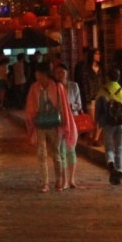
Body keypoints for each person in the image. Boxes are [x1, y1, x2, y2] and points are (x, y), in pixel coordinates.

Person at [24, 64, 77, 192]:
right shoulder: (34, 87)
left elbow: (63, 106)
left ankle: (58, 180)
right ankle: (45, 182)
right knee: (41, 154)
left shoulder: (57, 86)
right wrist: (31, 119)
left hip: (55, 124)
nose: (36, 76)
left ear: (44, 73)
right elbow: (31, 106)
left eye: (38, 73)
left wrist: (64, 124)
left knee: (56, 153)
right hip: (40, 124)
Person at [95, 67, 122, 184]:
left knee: (109, 148)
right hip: (121, 123)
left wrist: (97, 122)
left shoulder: (102, 91)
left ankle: (111, 164)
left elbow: (98, 109)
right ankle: (119, 171)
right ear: (118, 77)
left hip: (107, 123)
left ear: (107, 77)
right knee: (119, 148)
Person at [55, 64, 82, 189]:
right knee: (61, 152)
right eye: (57, 72)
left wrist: (70, 106)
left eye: (62, 71)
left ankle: (72, 179)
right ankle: (64, 180)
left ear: (67, 73)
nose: (60, 74)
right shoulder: (54, 87)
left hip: (72, 121)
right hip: (59, 122)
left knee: (71, 150)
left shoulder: (74, 86)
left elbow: (79, 104)